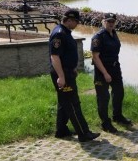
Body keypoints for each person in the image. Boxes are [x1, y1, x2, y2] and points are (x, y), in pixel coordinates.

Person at [49, 9, 100, 142]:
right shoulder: (59, 34)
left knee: (64, 102)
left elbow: (66, 54)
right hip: (62, 73)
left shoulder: (65, 32)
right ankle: (84, 133)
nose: (77, 24)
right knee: (73, 103)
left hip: (67, 71)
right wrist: (61, 76)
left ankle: (61, 130)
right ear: (69, 20)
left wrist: (73, 68)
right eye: (76, 21)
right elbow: (55, 56)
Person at [91, 12, 132, 133]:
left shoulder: (114, 34)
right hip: (102, 71)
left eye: (112, 22)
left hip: (115, 68)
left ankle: (117, 116)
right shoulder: (98, 37)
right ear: (103, 22)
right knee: (103, 98)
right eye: (108, 21)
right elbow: (95, 57)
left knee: (119, 92)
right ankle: (105, 122)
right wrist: (105, 73)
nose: (110, 24)